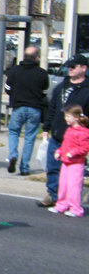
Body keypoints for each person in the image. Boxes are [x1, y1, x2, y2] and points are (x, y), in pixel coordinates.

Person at [41, 54, 89, 208]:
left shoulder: (87, 89)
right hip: (58, 134)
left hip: (76, 139)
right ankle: (54, 196)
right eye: (69, 66)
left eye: (73, 66)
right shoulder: (61, 87)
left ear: (84, 68)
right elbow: (52, 109)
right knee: (53, 167)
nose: (70, 69)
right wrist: (47, 127)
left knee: (73, 173)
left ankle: (71, 200)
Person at [4, 46, 49, 176]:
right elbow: (44, 92)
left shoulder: (15, 70)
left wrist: (15, 95)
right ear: (37, 58)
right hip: (35, 108)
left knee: (13, 132)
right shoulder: (42, 73)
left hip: (18, 107)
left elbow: (7, 88)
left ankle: (13, 155)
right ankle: (24, 167)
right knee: (29, 137)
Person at [50, 105, 89, 218]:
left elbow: (84, 148)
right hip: (66, 162)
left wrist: (73, 153)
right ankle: (61, 204)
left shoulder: (83, 132)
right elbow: (65, 144)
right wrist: (59, 151)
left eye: (68, 116)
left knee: (74, 187)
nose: (66, 119)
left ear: (76, 118)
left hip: (76, 163)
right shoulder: (70, 130)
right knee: (63, 185)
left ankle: (76, 209)